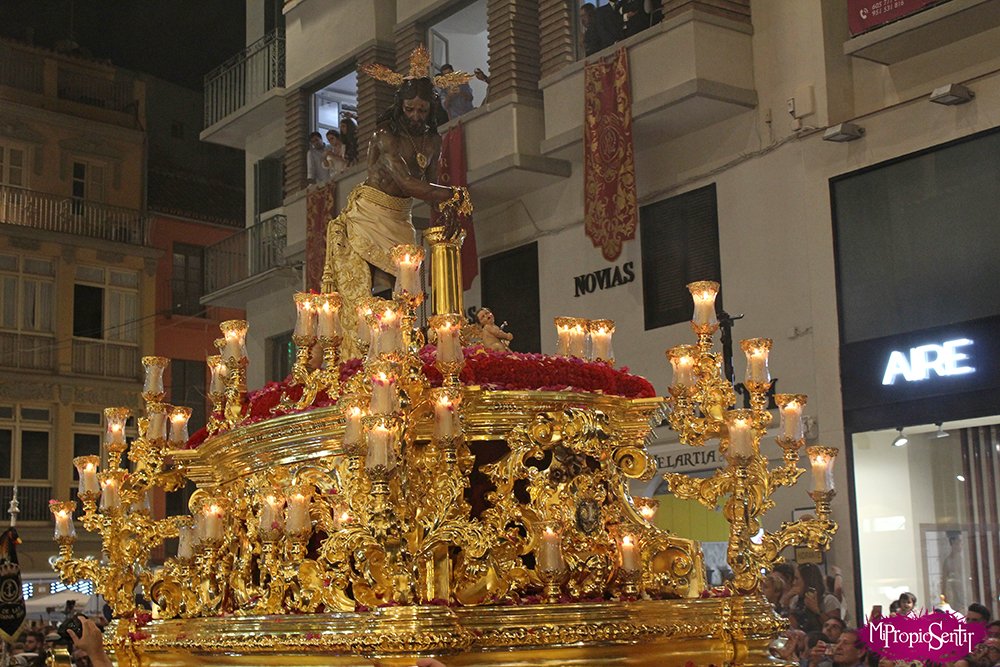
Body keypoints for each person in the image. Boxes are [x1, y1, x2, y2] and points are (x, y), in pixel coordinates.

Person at [321, 48, 471, 359]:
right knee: (376, 286)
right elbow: (406, 182)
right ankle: (363, 355)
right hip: (371, 214)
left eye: (421, 110)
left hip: (401, 219)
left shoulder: (432, 141)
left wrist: (446, 209)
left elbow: (428, 183)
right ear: (400, 107)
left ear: (430, 109)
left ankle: (398, 351)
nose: (415, 116)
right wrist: (452, 194)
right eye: (410, 109)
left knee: (404, 293)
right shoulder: (384, 136)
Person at [788, 563, 841, 633]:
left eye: (797, 579)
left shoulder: (829, 600)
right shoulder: (796, 600)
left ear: (807, 580)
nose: (794, 583)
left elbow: (835, 630)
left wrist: (816, 610)